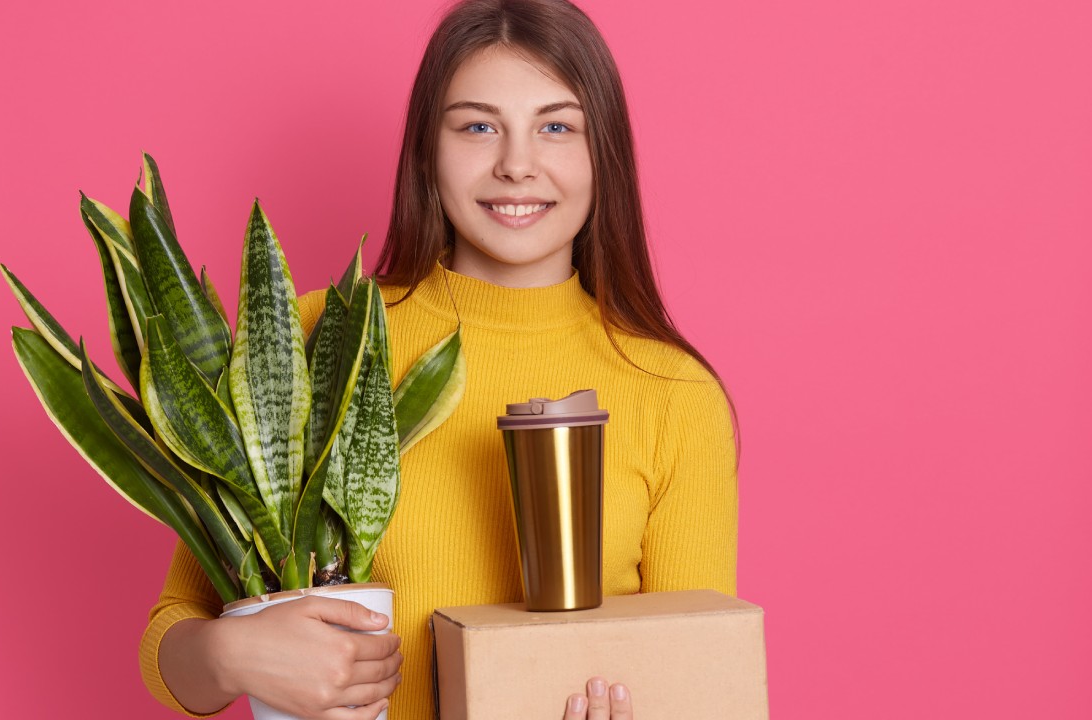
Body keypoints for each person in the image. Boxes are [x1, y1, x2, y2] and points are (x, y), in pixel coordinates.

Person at [140, 1, 738, 719]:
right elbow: (173, 634)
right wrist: (234, 654)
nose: (517, 166)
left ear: (601, 152)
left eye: (556, 126)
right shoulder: (322, 337)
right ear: (428, 148)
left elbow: (704, 682)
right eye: (478, 126)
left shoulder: (671, 392)